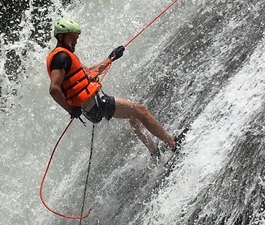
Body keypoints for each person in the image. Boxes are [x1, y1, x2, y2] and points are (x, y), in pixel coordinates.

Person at [46, 18, 176, 155]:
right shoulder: (61, 57)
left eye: (77, 38)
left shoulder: (66, 56)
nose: (75, 41)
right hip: (94, 105)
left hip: (94, 103)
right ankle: (172, 143)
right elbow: (54, 89)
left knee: (135, 116)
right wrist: (71, 110)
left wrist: (111, 58)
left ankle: (154, 152)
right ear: (60, 37)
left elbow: (89, 74)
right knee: (141, 110)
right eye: (72, 37)